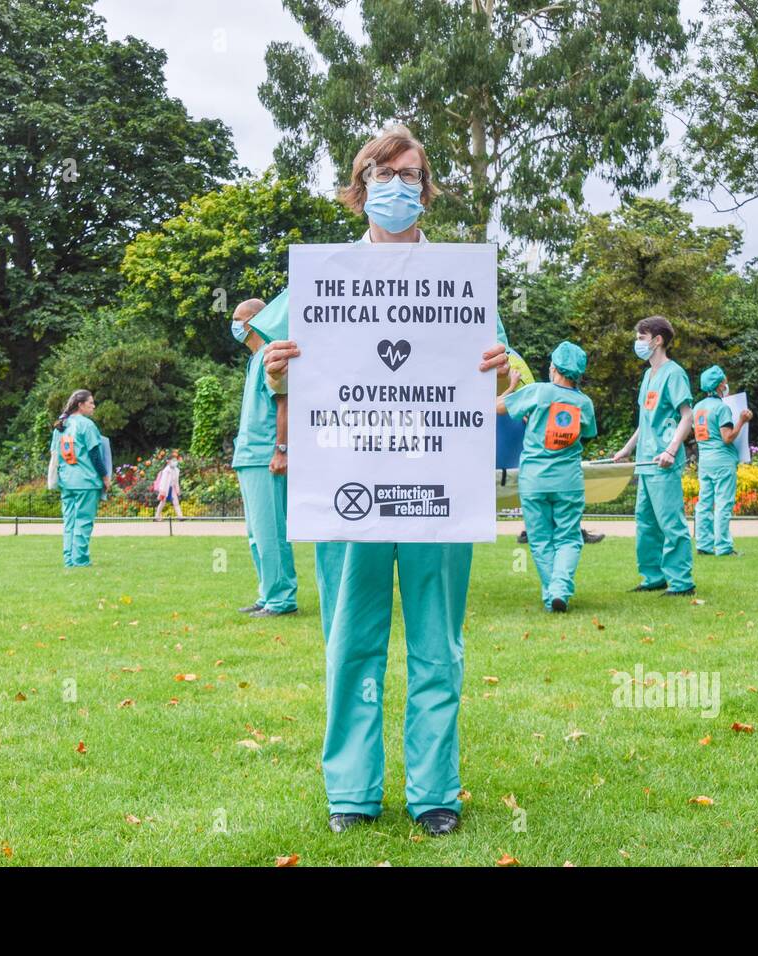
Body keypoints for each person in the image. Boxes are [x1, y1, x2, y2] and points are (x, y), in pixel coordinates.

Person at [259, 125, 510, 837]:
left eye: (412, 172)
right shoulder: (322, 275)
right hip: (349, 483)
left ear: (426, 188)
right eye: (385, 170)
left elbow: (503, 372)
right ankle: (351, 791)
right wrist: (278, 372)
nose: (398, 183)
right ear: (361, 182)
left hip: (439, 485)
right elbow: (276, 363)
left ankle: (435, 790)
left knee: (439, 642)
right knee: (350, 640)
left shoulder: (462, 279)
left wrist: (505, 371)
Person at [497, 341, 597, 612]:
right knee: (568, 538)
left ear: (553, 367)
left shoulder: (537, 392)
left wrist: (511, 386)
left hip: (534, 481)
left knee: (540, 540)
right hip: (568, 481)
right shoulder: (584, 403)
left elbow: (497, 407)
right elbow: (585, 432)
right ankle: (559, 590)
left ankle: (552, 596)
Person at [612, 316, 695, 597]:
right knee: (646, 523)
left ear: (657, 340)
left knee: (670, 522)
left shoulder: (674, 374)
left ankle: (682, 582)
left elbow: (687, 416)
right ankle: (653, 576)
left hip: (664, 462)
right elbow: (644, 421)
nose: (637, 343)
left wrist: (671, 449)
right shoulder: (648, 376)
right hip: (645, 462)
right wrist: (626, 449)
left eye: (641, 338)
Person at [231, 297, 298, 618]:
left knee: (271, 530)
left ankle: (282, 598)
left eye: (238, 319)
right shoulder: (254, 359)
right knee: (257, 533)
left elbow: (284, 404)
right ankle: (267, 592)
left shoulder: (271, 356)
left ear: (254, 321)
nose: (234, 326)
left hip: (264, 456)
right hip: (248, 456)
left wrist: (281, 449)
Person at [692, 365, 751, 556]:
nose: (726, 385)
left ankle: (703, 544)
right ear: (719, 385)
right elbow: (727, 437)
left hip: (705, 462)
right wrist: (742, 420)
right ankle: (724, 546)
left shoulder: (698, 408)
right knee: (723, 503)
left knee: (704, 504)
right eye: (724, 382)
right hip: (722, 462)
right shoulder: (722, 408)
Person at [48, 389, 110, 567]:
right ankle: (80, 560)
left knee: (70, 522)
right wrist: (105, 476)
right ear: (80, 405)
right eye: (91, 403)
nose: (93, 406)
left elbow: (55, 455)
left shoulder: (61, 425)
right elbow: (95, 455)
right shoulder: (87, 425)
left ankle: (69, 560)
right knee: (83, 521)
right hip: (86, 481)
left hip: (66, 481)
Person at [153, 451, 184, 520]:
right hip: (165, 489)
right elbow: (163, 482)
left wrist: (178, 490)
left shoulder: (177, 470)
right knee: (162, 503)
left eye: (176, 460)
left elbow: (176, 482)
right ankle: (156, 517)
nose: (175, 462)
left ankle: (180, 517)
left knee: (176, 502)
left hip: (172, 488)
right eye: (173, 460)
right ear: (169, 462)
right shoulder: (166, 470)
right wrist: (162, 491)